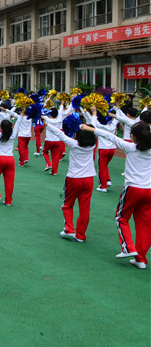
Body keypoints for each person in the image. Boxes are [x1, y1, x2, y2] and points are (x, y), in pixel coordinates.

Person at [84, 114, 151, 269]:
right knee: (145, 225)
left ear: (133, 137)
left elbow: (109, 136)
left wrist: (89, 128)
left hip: (133, 189)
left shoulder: (130, 147)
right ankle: (141, 259)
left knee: (121, 218)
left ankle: (128, 248)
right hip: (149, 191)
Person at [44, 115, 96, 243]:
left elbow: (59, 134)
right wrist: (93, 115)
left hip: (74, 179)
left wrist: (47, 124)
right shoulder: (93, 145)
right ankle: (81, 235)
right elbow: (94, 127)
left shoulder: (73, 144)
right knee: (85, 208)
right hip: (89, 179)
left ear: (78, 136)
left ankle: (69, 229)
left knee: (67, 204)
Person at [0, 110, 24, 206]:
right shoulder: (12, 135)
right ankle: (8, 201)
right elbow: (18, 122)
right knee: (9, 181)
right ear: (11, 127)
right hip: (10, 159)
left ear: (1, 127)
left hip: (0, 158)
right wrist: (22, 112)